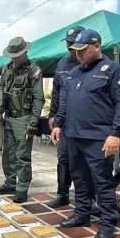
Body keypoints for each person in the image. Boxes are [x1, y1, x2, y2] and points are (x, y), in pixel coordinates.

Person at [51, 28, 120, 238]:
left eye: (82, 50)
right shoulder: (76, 72)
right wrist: (58, 123)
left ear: (96, 46)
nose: (78, 55)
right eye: (75, 51)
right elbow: (65, 101)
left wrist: (116, 133)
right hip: (73, 136)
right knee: (79, 179)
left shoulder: (113, 70)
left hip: (98, 137)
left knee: (102, 182)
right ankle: (81, 214)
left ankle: (107, 224)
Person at [0, 37, 45, 203]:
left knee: (22, 156)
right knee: (8, 154)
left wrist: (34, 120)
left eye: (18, 54)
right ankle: (10, 183)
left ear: (25, 52)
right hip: (8, 117)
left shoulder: (33, 70)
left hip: (24, 117)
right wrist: (0, 108)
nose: (15, 57)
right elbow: (1, 89)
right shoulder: (6, 69)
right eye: (12, 55)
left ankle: (21, 189)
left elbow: (38, 97)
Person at [46, 26, 84, 208]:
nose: (70, 48)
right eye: (68, 44)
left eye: (73, 44)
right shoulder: (62, 64)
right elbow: (56, 92)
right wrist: (52, 115)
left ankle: (86, 199)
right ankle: (62, 194)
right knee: (63, 159)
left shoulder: (93, 62)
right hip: (64, 121)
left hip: (86, 122)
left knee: (83, 161)